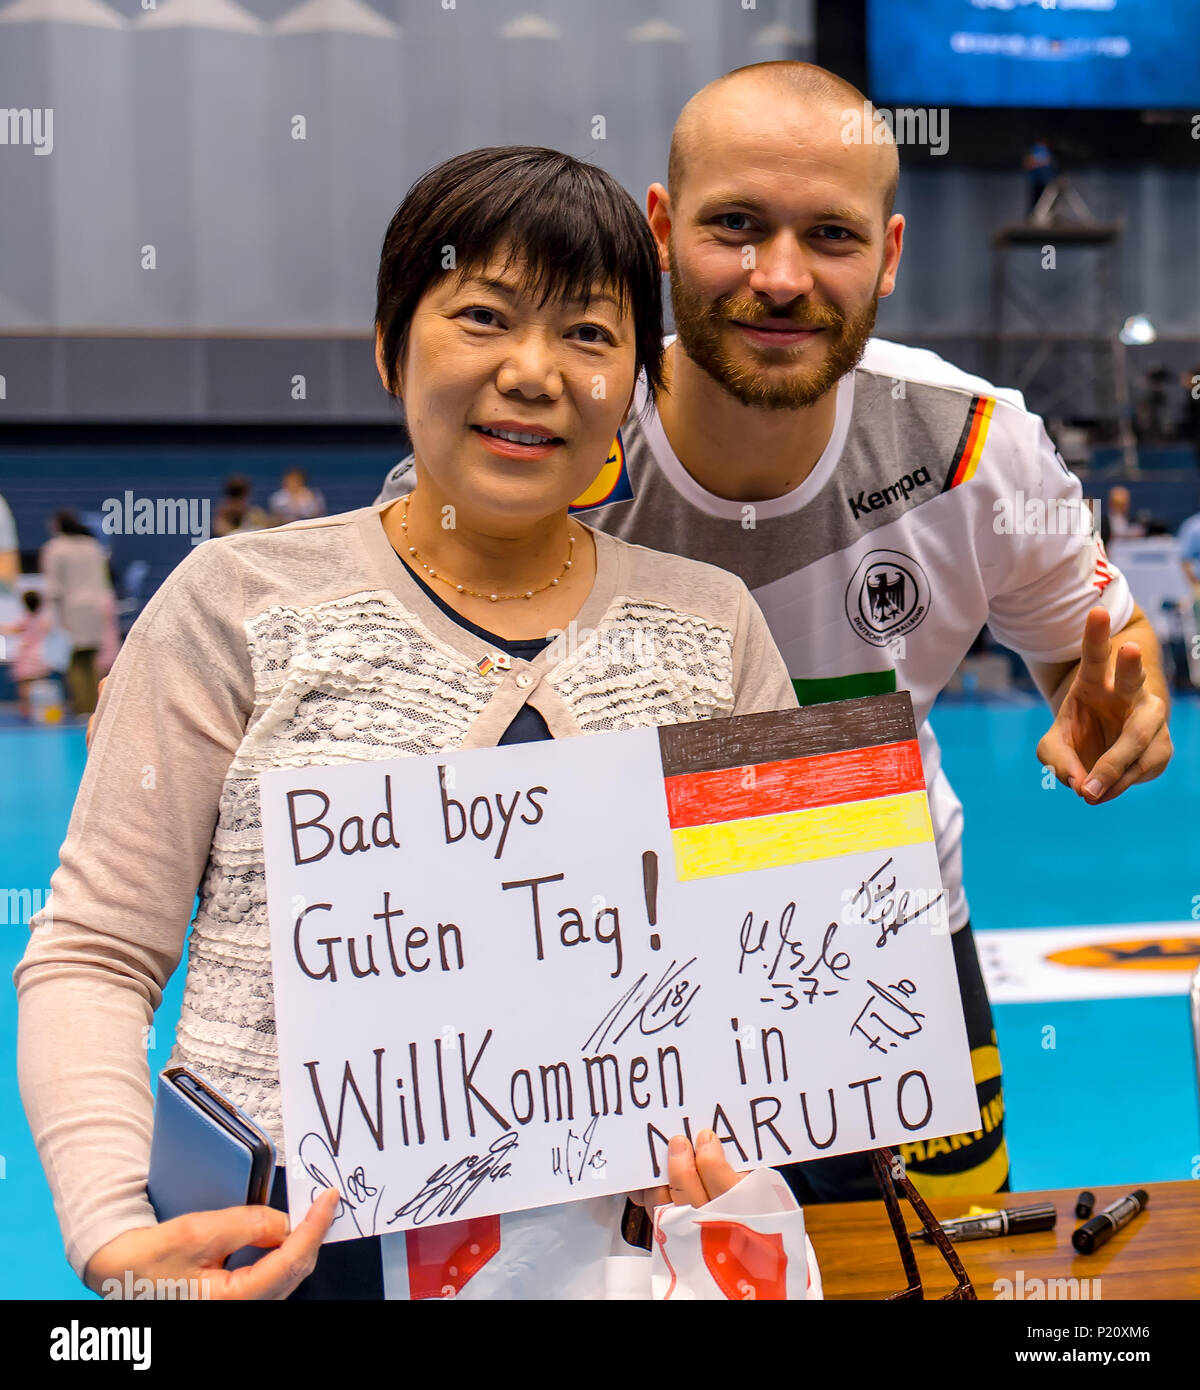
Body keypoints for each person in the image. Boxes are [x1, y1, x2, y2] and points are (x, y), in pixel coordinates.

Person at [380, 63, 1173, 1205]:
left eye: (832, 236)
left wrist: (1116, 702)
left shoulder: (976, 447)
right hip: (591, 973)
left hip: (886, 951)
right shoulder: (532, 445)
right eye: (737, 226)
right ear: (661, 229)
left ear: (891, 255)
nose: (782, 277)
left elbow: (1091, 650)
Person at [16, 146, 796, 1302]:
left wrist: (729, 1151)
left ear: (634, 382)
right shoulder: (237, 602)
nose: (533, 372)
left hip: (617, 1256)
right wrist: (110, 1223)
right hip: (278, 1259)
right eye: (483, 315)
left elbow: (772, 967)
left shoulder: (712, 624)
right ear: (391, 344)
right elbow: (95, 949)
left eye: (589, 333)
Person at [39, 510, 113, 716]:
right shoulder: (92, 546)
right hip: (96, 607)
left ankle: (82, 707)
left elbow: (54, 586)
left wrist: (52, 616)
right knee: (91, 659)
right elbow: (103, 581)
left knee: (74, 661)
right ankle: (95, 706)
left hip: (71, 609)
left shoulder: (55, 549)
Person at [6, 589, 53, 719]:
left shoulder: (25, 620)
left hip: (26, 654)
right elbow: (48, 630)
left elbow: (12, 629)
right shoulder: (43, 620)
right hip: (39, 654)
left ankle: (27, 708)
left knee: (24, 684)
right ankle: (41, 707)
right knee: (40, 682)